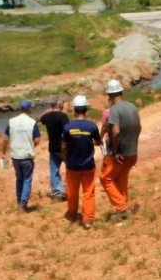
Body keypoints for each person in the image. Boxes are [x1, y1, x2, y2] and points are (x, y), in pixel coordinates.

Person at [99, 79, 141, 220]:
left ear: (110, 96)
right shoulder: (133, 107)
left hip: (119, 154)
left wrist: (116, 151)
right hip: (132, 152)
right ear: (121, 92)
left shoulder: (115, 110)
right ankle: (124, 207)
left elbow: (115, 132)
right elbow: (139, 128)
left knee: (105, 178)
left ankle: (122, 208)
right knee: (121, 178)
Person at [61, 95, 101, 229]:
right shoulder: (92, 127)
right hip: (88, 166)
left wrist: (65, 160)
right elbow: (98, 142)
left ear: (74, 110)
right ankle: (87, 220)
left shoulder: (67, 128)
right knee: (88, 193)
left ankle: (72, 215)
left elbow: (63, 147)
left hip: (72, 166)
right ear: (86, 109)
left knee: (72, 193)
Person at [1, 99, 41, 211]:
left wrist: (3, 152)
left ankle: (19, 201)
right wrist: (30, 146)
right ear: (28, 109)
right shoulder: (32, 122)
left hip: (15, 156)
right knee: (27, 179)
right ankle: (23, 204)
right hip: (27, 156)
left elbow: (5, 138)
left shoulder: (12, 121)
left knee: (19, 179)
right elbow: (37, 140)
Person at [38, 97, 69, 200]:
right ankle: (65, 190)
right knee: (70, 168)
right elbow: (67, 132)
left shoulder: (47, 117)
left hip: (52, 148)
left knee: (54, 171)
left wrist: (49, 110)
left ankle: (56, 193)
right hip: (63, 147)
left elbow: (38, 119)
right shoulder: (63, 116)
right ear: (60, 105)